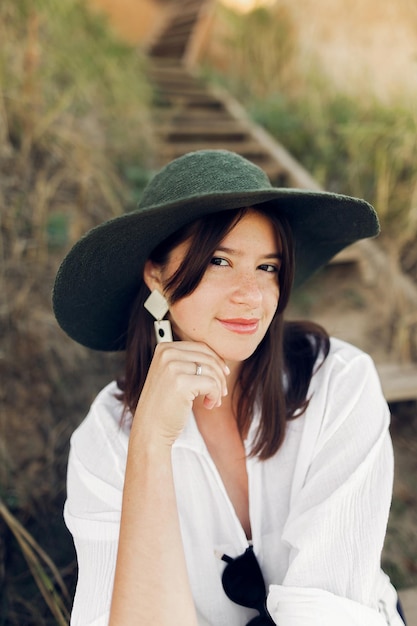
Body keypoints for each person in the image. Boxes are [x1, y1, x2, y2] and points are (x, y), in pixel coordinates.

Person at [53, 149, 405, 626]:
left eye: (268, 267)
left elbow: (328, 610)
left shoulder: (337, 384)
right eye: (220, 261)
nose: (252, 295)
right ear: (156, 275)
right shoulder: (106, 438)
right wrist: (150, 447)